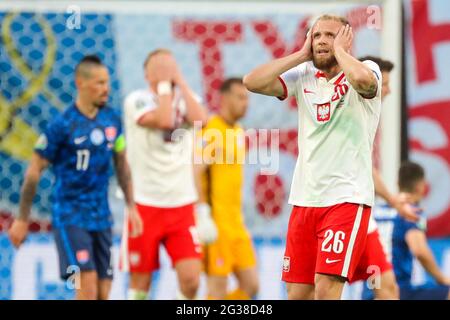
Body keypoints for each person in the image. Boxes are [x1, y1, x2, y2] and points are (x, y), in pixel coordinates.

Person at [244, 14, 381, 299]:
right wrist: (300, 54)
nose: (321, 41)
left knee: (326, 289)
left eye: (330, 36)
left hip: (345, 198)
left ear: (345, 38)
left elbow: (364, 83)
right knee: (297, 294)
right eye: (316, 36)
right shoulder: (303, 75)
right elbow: (252, 82)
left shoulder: (367, 69)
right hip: (304, 200)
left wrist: (341, 52)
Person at [8, 55, 143, 300]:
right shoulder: (62, 125)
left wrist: (131, 206)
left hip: (101, 218)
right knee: (87, 289)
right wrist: (22, 218)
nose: (106, 89)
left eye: (107, 82)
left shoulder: (112, 120)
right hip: (70, 217)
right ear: (81, 83)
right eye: (100, 83)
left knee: (104, 293)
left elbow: (121, 164)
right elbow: (34, 170)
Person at [121, 48, 212, 300]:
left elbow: (202, 120)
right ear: (147, 74)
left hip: (181, 204)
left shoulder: (186, 97)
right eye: (160, 67)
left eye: (170, 66)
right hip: (144, 204)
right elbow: (162, 120)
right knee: (140, 283)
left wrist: (179, 82)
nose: (166, 71)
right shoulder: (136, 100)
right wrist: (163, 88)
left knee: (192, 279)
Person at [350, 56, 419, 299]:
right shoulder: (351, 113)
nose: (388, 90)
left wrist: (393, 201)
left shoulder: (370, 115)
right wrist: (394, 201)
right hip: (337, 210)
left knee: (387, 286)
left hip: (361, 213)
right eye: (384, 83)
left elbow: (367, 167)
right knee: (318, 289)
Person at [194, 78, 259, 300]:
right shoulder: (212, 130)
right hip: (217, 225)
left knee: (251, 286)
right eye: (240, 97)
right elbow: (195, 172)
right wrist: (203, 214)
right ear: (224, 98)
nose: (246, 103)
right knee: (217, 290)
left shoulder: (239, 131)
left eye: (247, 98)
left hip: (236, 225)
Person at [365, 161, 450, 300]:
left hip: (369, 289)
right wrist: (441, 278)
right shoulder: (411, 211)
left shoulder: (376, 211)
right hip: (396, 289)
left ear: (398, 183)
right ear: (421, 186)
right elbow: (419, 250)